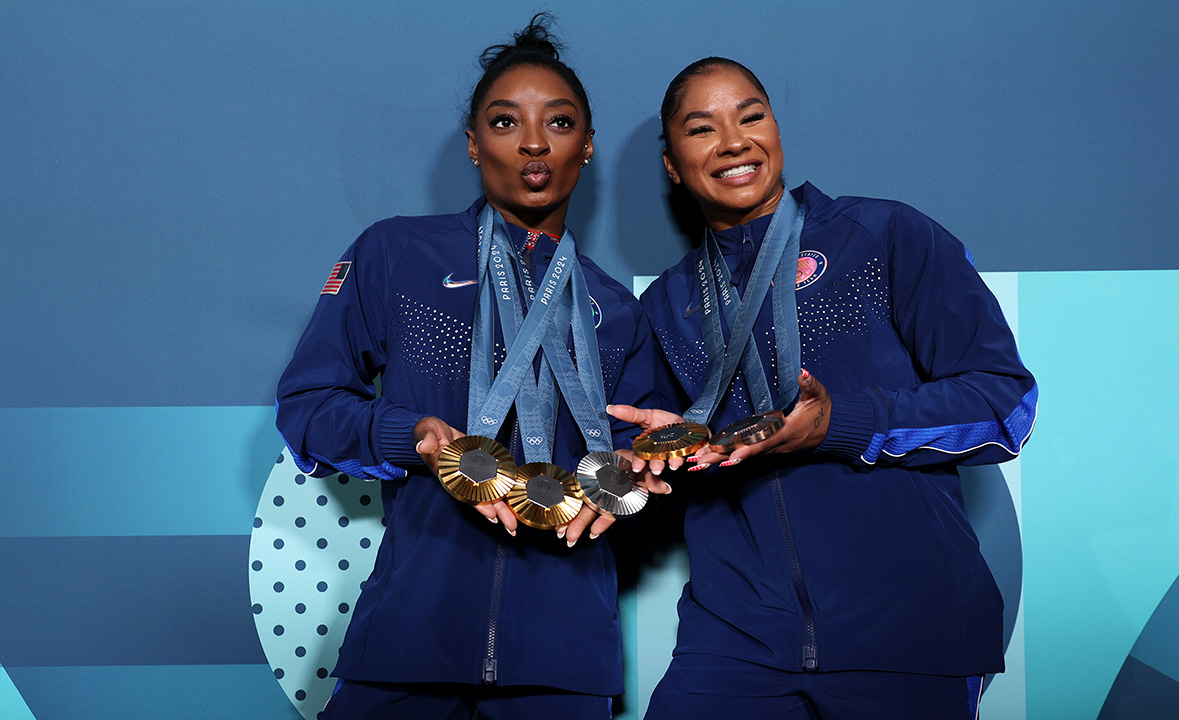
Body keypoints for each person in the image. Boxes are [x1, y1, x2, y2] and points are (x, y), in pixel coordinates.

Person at [608, 57, 1038, 719]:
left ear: (775, 127)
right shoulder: (669, 302)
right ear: (673, 165)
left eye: (751, 116)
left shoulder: (882, 236)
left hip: (906, 633)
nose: (733, 141)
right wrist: (655, 456)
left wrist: (841, 423)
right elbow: (678, 460)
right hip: (736, 639)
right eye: (702, 129)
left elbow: (1003, 402)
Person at [275, 16, 661, 719]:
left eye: (561, 121)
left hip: (563, 663)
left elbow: (634, 459)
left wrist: (633, 476)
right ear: (474, 144)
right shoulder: (397, 255)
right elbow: (308, 405)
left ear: (587, 146)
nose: (535, 142)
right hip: (406, 644)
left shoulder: (618, 308)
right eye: (506, 121)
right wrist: (415, 436)